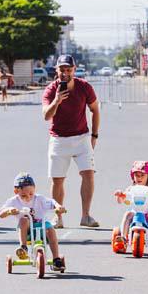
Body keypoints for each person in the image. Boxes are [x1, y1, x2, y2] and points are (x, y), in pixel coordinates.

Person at [41, 54, 101, 228]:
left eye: (69, 69)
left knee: (88, 174)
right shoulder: (51, 90)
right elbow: (46, 116)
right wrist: (57, 100)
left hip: (82, 138)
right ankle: (58, 217)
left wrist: (94, 136)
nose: (65, 73)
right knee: (57, 180)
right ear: (56, 70)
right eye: (62, 70)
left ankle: (86, 216)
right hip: (59, 139)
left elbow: (95, 110)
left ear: (74, 70)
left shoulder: (84, 87)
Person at [0, 173, 65, 270]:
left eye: (31, 194)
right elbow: (1, 213)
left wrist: (58, 207)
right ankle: (23, 247)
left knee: (50, 229)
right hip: (27, 231)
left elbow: (52, 202)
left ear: (34, 189)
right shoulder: (13, 201)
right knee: (24, 220)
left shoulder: (39, 199)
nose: (28, 197)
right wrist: (8, 211)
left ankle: (56, 259)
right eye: (24, 195)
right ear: (16, 191)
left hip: (42, 226)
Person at [112, 161, 148, 250]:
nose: (139, 178)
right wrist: (120, 195)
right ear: (132, 176)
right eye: (136, 175)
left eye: (142, 175)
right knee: (127, 213)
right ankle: (123, 237)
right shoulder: (131, 188)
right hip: (135, 213)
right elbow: (121, 200)